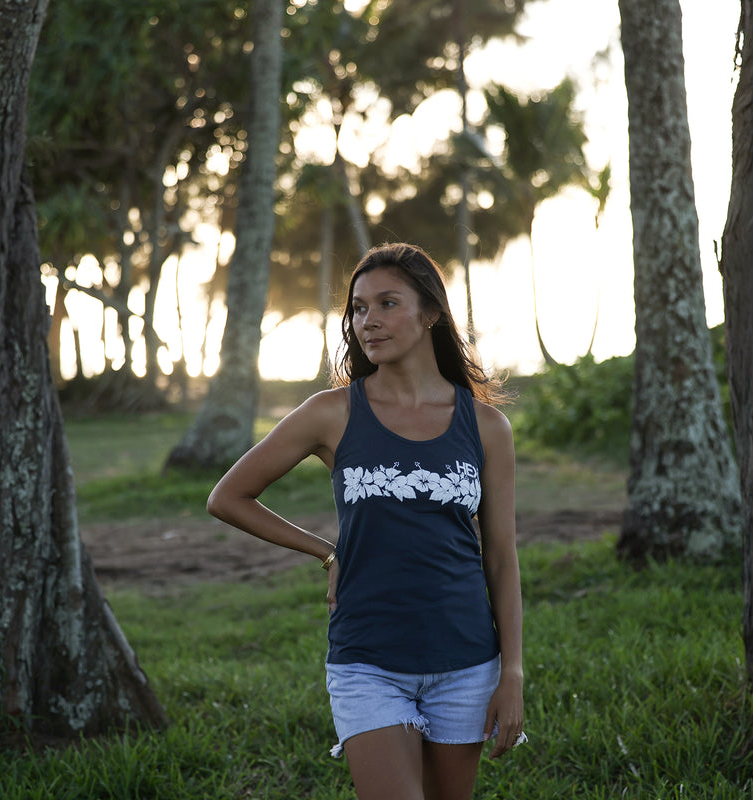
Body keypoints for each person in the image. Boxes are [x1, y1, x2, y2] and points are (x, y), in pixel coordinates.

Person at [207, 242, 524, 800]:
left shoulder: (487, 427)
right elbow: (230, 496)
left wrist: (512, 672)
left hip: (467, 660)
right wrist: (326, 551)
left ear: (430, 314)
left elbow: (500, 554)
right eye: (357, 308)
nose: (367, 321)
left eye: (386, 304)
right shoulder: (331, 413)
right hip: (368, 660)